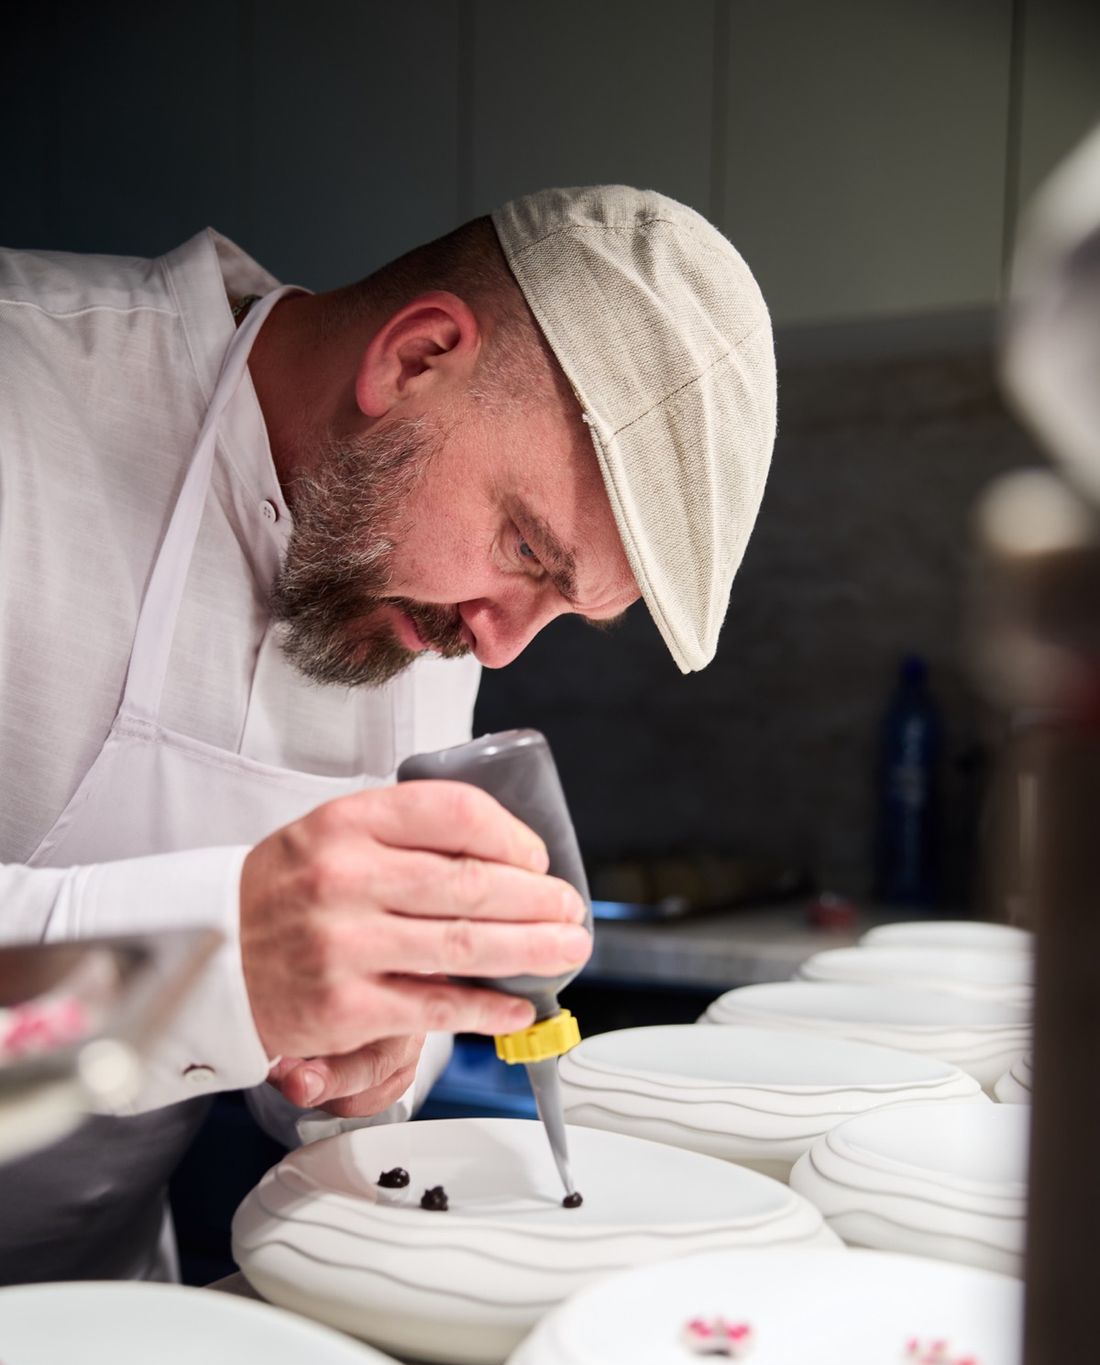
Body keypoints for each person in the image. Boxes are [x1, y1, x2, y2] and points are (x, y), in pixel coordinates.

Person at [0, 184, 776, 1282]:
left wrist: (371, 1054)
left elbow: (346, 1060)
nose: (498, 649)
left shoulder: (427, 606)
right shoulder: (22, 390)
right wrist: (216, 955)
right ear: (415, 359)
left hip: (102, 1312)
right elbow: (233, 959)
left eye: (560, 608)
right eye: (526, 550)